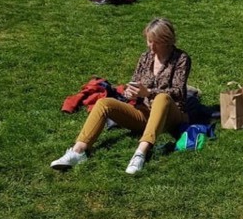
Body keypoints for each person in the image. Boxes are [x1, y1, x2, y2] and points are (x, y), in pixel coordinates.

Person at [50, 18, 190, 175]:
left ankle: (141, 152)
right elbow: (135, 82)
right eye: (148, 41)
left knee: (161, 98)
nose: (150, 46)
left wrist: (149, 92)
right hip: (144, 113)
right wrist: (130, 92)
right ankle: (78, 151)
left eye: (154, 42)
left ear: (166, 41)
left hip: (171, 116)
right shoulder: (145, 58)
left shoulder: (181, 58)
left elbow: (178, 91)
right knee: (104, 103)